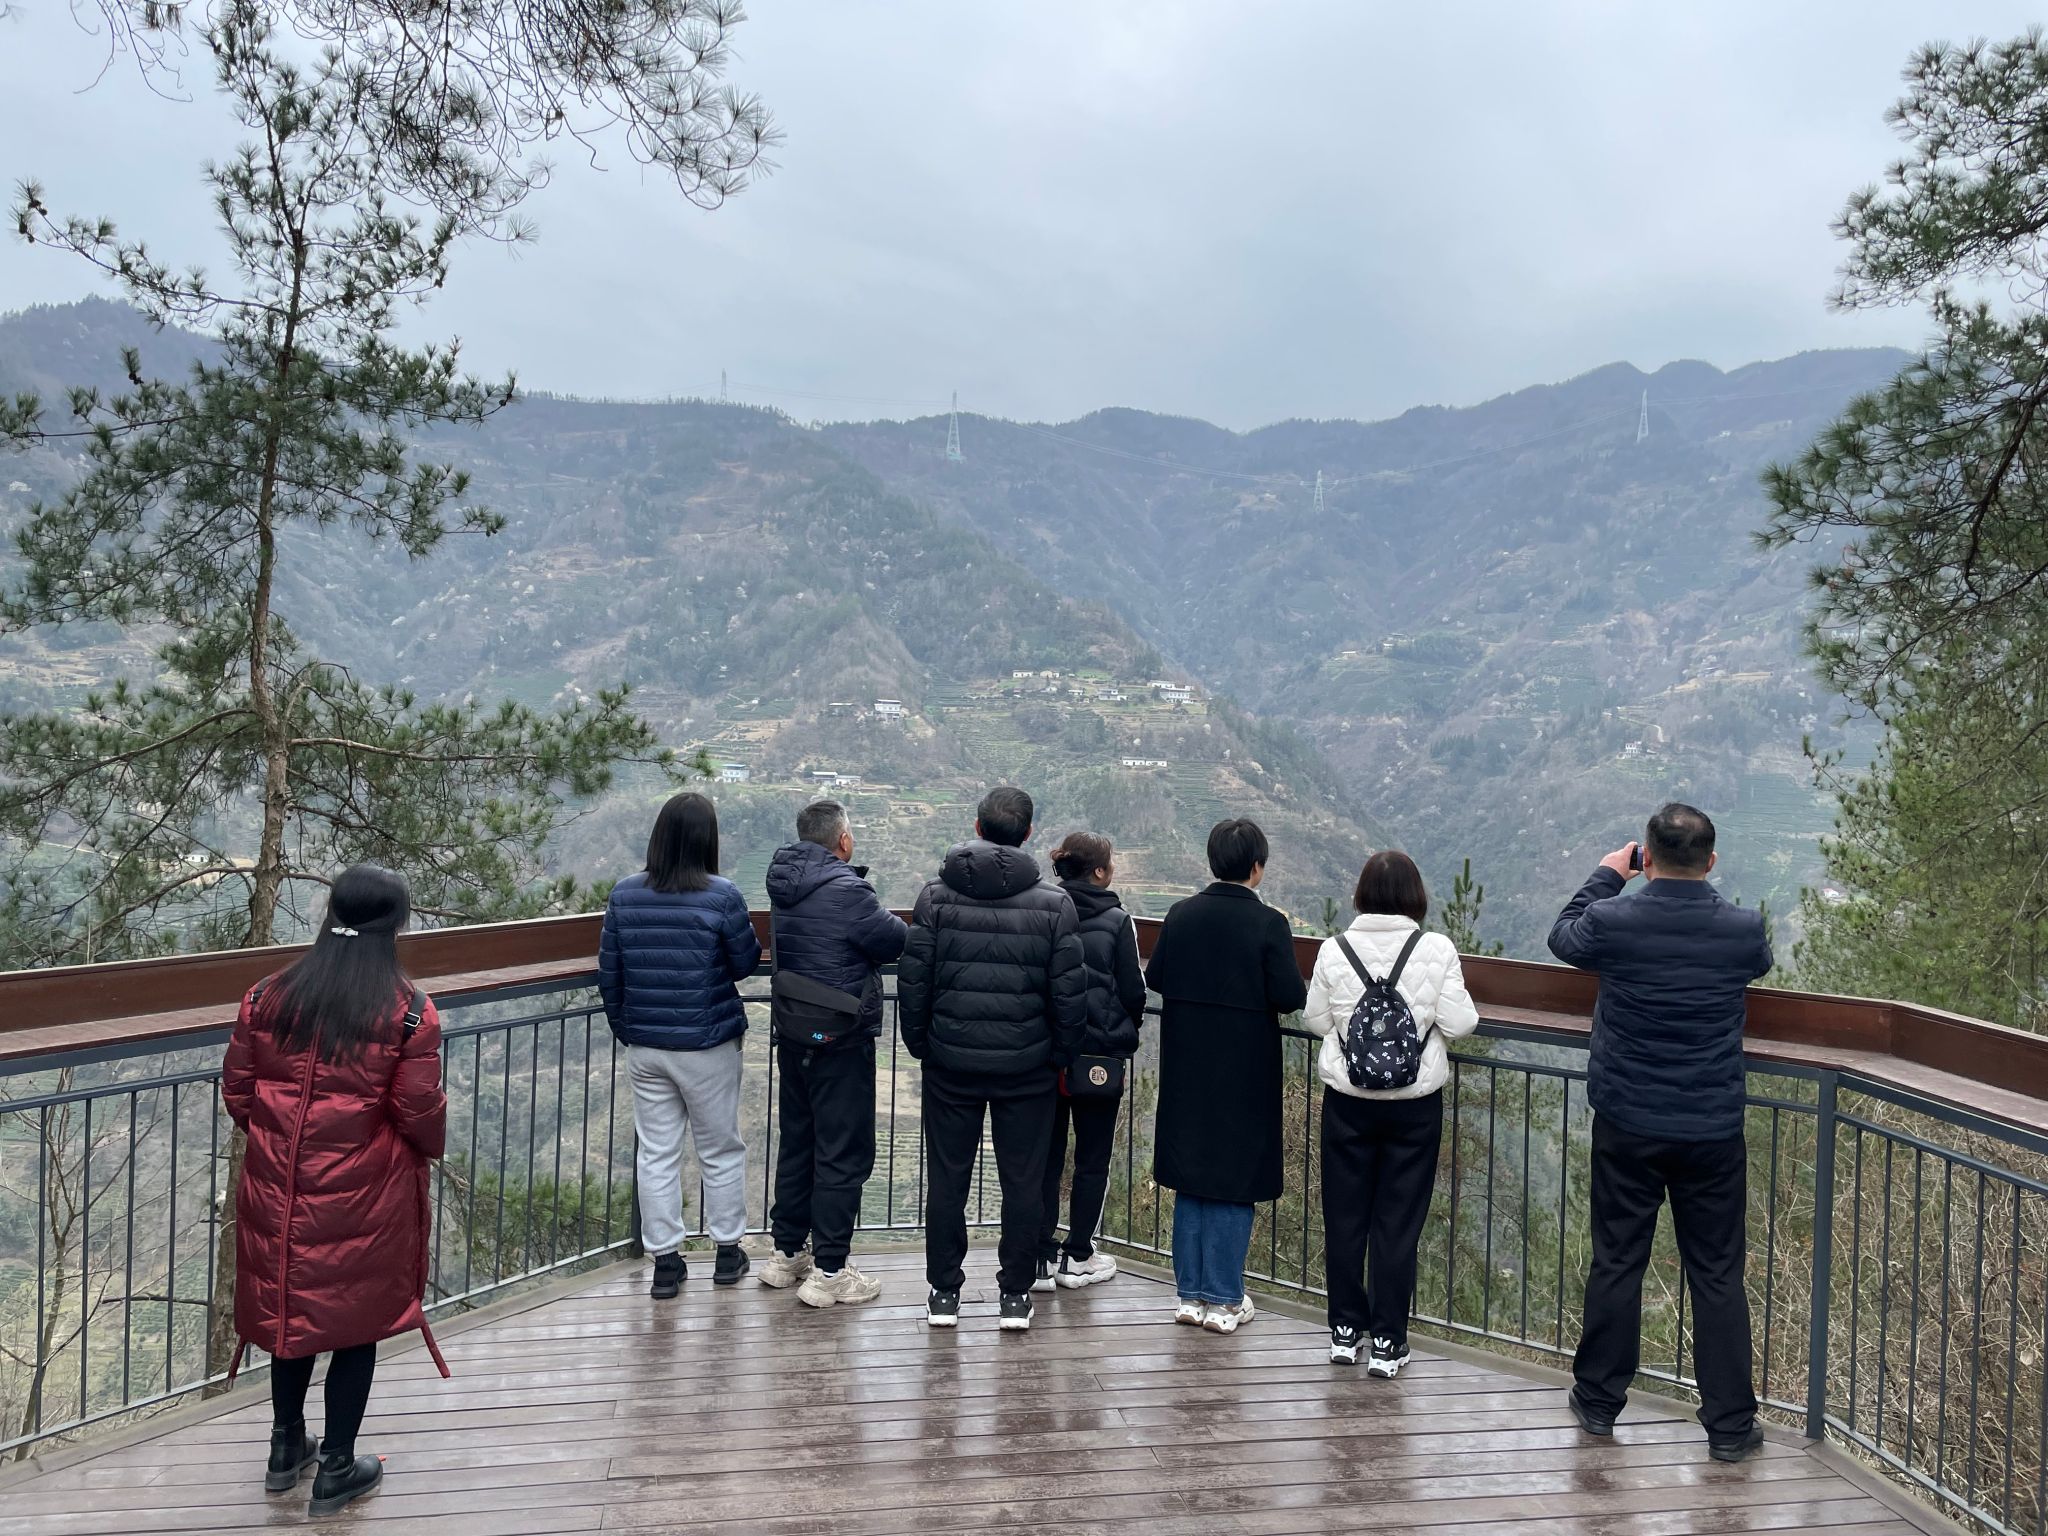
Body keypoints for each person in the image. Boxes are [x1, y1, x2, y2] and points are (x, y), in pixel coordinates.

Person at [1549, 802, 1774, 1463]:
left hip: (1628, 1122)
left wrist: (1607, 875)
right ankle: (1729, 1427)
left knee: (1618, 1259)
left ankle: (1598, 1402)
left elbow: (1563, 939)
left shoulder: (1613, 919)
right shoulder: (1742, 929)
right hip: (1711, 1127)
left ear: (1645, 857)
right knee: (1717, 1275)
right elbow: (1756, 962)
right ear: (1711, 861)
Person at [222, 864, 448, 1518]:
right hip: (363, 1194)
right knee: (354, 1323)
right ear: (396, 923)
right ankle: (338, 1468)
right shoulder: (409, 1011)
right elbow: (419, 1114)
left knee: (290, 1312)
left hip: (278, 1186)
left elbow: (239, 1093)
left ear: (331, 912)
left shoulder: (266, 996)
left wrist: (280, 1143)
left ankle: (284, 1449)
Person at [898, 786, 1087, 1331]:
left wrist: (923, 1046)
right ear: (1027, 834)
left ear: (978, 828)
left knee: (947, 1180)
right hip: (1027, 1069)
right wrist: (1057, 1055)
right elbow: (1069, 997)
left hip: (950, 1064)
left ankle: (943, 1293)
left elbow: (914, 981)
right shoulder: (1054, 905)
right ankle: (1015, 1295)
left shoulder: (935, 898)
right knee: (1024, 1183)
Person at [1302, 851, 1478, 1375]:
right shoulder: (1435, 948)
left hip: (1347, 1102)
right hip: (1414, 1106)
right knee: (1397, 1223)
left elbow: (1315, 1020)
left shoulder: (1334, 949)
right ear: (1415, 896)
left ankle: (1343, 1332)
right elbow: (1460, 1023)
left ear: (1361, 895)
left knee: (1344, 1217)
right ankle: (1387, 1341)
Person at [1146, 818, 1309, 1333]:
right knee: (1234, 1179)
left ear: (1212, 861)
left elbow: (1156, 976)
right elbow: (1290, 995)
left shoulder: (1181, 914)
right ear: (1257, 868)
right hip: (1244, 1069)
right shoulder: (1268, 924)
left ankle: (1189, 1297)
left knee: (1190, 1175)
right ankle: (1224, 1298)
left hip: (1187, 1064)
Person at [599, 791, 763, 1298]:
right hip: (707, 1044)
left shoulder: (624, 894)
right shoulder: (722, 895)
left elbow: (610, 974)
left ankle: (666, 1264)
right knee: (720, 1148)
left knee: (656, 1153)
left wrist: (628, 1029)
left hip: (646, 1046)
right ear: (706, 840)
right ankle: (728, 1253)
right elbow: (744, 963)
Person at [759, 800, 909, 1306]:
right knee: (842, 1153)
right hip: (840, 1039)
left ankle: (786, 1254)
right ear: (842, 840)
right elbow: (895, 941)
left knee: (799, 1143)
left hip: (794, 1032)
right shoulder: (847, 890)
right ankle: (829, 1271)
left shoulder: (783, 884)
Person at [1034, 831, 1146, 1291]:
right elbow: (1133, 990)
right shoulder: (1119, 921)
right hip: (1099, 1055)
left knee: (1044, 1156)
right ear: (1100, 871)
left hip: (1045, 1054)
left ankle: (1038, 1258)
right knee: (1092, 1158)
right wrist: (1122, 1030)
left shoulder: (1043, 909)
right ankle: (1078, 1255)